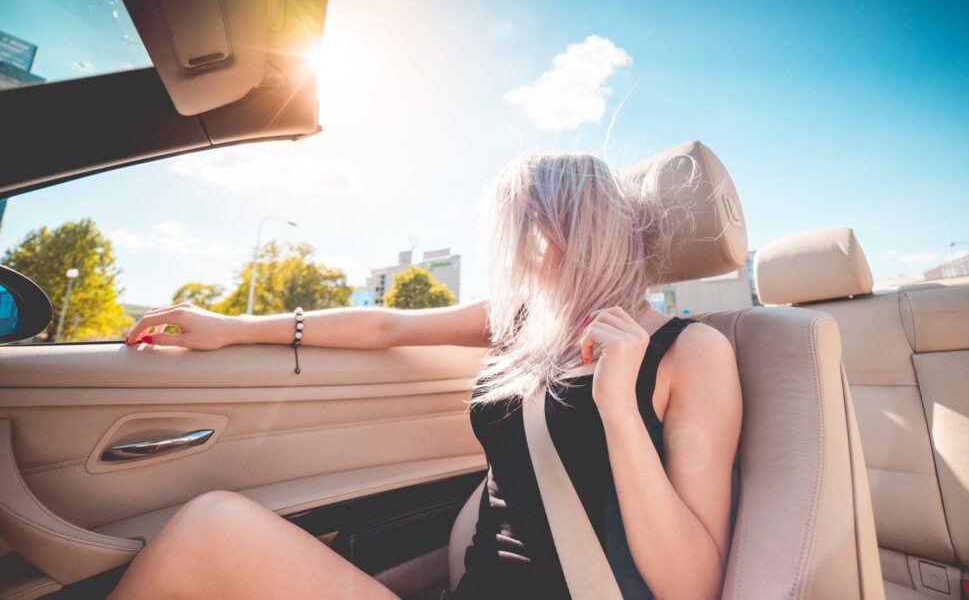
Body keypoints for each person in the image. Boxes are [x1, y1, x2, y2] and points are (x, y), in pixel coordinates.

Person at [111, 152, 742, 600]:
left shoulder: (692, 352)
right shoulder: (526, 319)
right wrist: (234, 329)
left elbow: (694, 587)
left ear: (580, 232)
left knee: (209, 530)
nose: (519, 255)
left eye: (529, 233)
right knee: (210, 529)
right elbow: (388, 327)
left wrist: (619, 413)